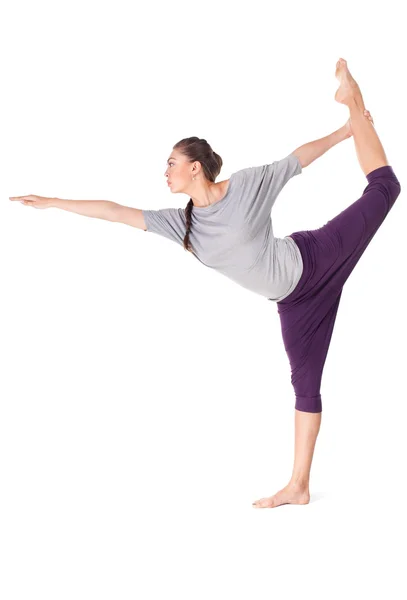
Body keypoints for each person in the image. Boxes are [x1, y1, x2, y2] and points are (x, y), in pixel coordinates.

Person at [9, 58, 401, 509]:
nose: (166, 171)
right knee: (305, 385)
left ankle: (353, 102)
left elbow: (297, 161)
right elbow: (115, 211)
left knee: (385, 189)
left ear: (196, 167)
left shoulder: (246, 187)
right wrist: (54, 203)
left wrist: (346, 130)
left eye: (172, 162)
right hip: (294, 304)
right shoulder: (183, 225)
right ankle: (298, 486)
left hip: (315, 259)